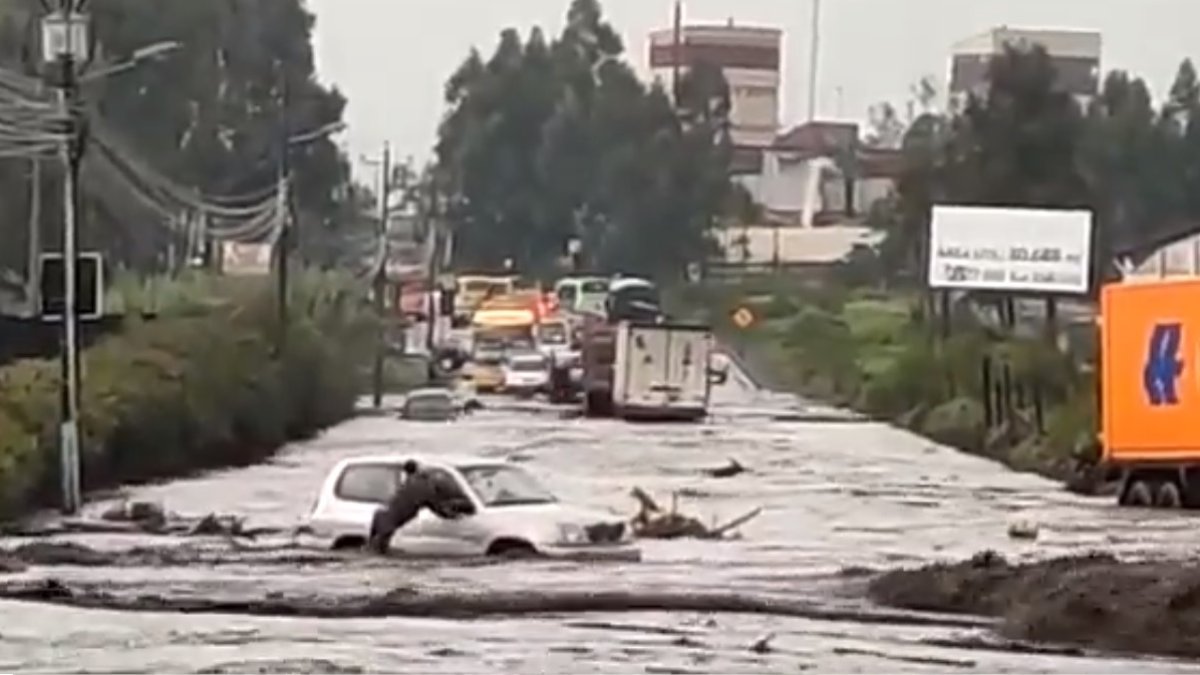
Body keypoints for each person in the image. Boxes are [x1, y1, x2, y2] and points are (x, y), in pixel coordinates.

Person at [367, 460, 468, 555]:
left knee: (373, 549)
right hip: (389, 522)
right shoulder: (424, 487)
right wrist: (451, 516)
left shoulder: (408, 483)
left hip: (381, 515)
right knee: (381, 551)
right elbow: (435, 507)